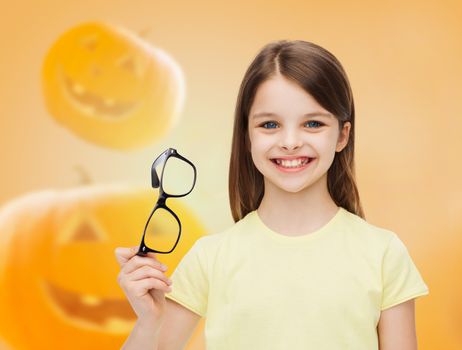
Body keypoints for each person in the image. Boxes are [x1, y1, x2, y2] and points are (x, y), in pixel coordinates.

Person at [115, 40, 429, 350]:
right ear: (247, 136)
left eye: (312, 123)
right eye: (269, 124)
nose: (290, 142)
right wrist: (148, 320)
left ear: (342, 135)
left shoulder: (384, 254)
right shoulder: (210, 258)